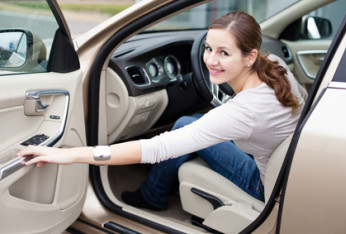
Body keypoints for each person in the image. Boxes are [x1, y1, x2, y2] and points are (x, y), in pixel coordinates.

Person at [17, 11, 307, 211]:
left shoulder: (243, 113)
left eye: (224, 53)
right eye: (208, 48)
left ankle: (150, 196)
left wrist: (70, 154)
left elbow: (158, 147)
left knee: (181, 127)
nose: (210, 61)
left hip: (265, 183)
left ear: (250, 56)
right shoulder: (275, 67)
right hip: (290, 170)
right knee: (186, 121)